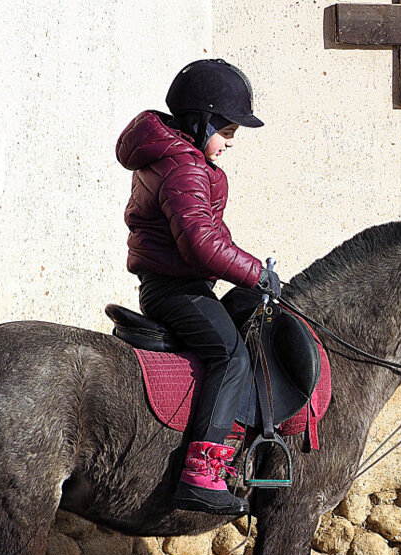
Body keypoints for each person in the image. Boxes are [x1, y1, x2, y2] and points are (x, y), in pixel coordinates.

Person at [116, 59, 283, 515]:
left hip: (174, 284)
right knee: (231, 355)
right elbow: (200, 244)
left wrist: (257, 275)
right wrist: (254, 273)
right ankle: (202, 471)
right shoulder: (184, 167)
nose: (231, 142)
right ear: (200, 121)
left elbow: (216, 236)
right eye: (226, 131)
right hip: (175, 289)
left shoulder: (181, 159)